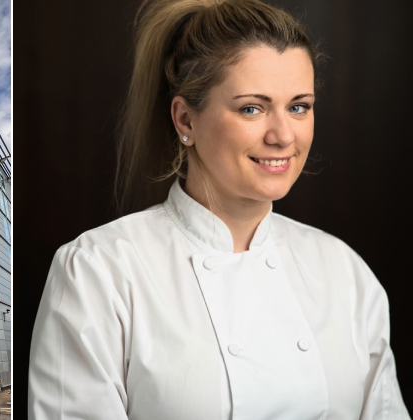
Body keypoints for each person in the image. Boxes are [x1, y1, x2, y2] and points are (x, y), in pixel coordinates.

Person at [27, 0, 410, 419]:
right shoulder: (98, 272)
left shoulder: (345, 273)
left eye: (299, 106)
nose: (283, 135)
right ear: (186, 120)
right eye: (252, 108)